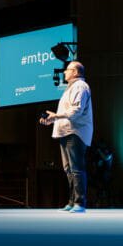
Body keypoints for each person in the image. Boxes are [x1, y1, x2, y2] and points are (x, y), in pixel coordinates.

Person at [40, 61, 93, 213]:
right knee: (68, 169)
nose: (64, 72)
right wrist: (52, 119)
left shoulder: (80, 87)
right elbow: (66, 113)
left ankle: (79, 203)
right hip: (66, 132)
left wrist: (56, 116)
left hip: (76, 132)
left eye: (67, 70)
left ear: (76, 72)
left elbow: (76, 111)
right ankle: (72, 201)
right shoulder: (71, 88)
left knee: (76, 168)